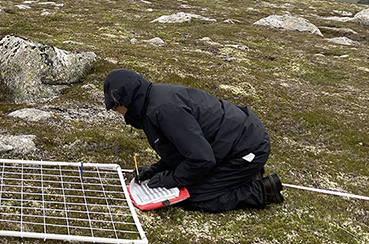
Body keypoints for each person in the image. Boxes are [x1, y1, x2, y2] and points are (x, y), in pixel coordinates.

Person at [103, 69, 283, 212]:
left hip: (246, 147)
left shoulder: (164, 110)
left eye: (115, 107)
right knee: (189, 183)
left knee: (196, 196)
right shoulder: (151, 107)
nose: (117, 113)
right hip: (227, 145)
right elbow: (181, 150)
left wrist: (170, 179)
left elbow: (201, 159)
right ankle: (241, 176)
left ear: (126, 101)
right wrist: (154, 171)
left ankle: (263, 190)